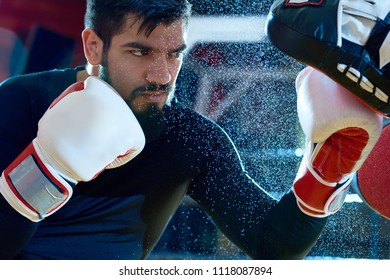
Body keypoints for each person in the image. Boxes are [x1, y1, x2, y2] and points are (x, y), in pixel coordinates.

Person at [0, 0, 382, 260]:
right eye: (141, 52)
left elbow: (272, 244)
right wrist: (44, 168)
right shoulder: (21, 103)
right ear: (94, 46)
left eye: (174, 53)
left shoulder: (190, 139)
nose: (162, 76)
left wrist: (329, 167)